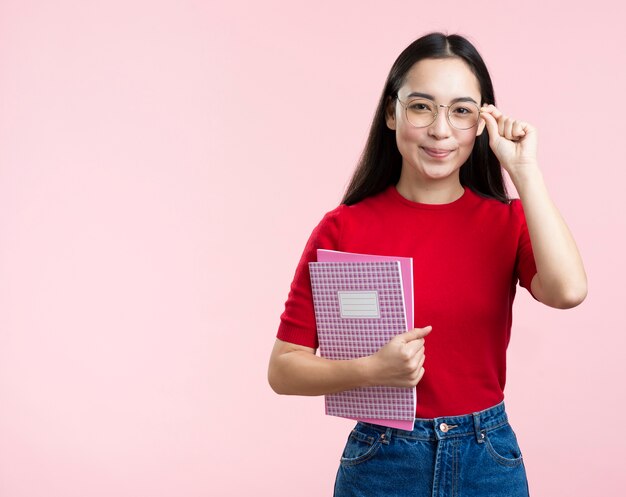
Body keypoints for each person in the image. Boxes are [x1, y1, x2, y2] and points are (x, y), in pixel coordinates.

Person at [267, 32, 587, 497]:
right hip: (383, 459)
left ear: (482, 123)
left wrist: (525, 170)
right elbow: (284, 368)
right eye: (421, 107)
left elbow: (568, 291)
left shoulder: (508, 221)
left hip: (487, 457)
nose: (441, 129)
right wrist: (373, 369)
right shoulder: (342, 229)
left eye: (461, 111)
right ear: (392, 113)